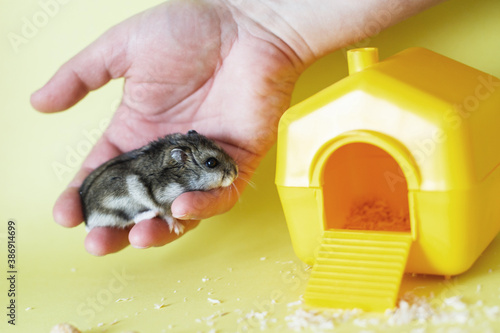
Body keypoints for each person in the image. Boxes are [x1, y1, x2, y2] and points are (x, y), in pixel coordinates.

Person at [31, 0, 443, 255]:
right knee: (141, 196)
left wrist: (258, 19)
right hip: (115, 204)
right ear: (180, 161)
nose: (228, 171)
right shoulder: (161, 177)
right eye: (213, 165)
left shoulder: (177, 160)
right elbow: (154, 192)